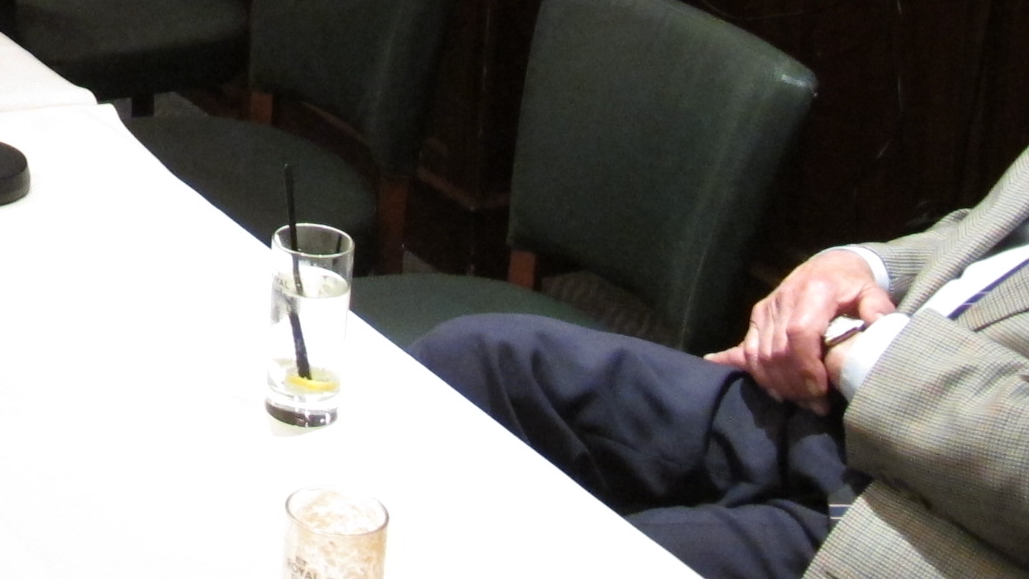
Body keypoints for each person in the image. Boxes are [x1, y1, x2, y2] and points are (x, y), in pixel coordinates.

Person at [412, 145, 1029, 579]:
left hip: (942, 523)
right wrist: (861, 268)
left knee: (589, 562)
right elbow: (987, 238)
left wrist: (863, 347)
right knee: (473, 362)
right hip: (830, 409)